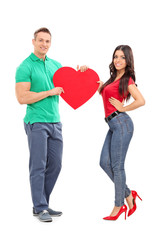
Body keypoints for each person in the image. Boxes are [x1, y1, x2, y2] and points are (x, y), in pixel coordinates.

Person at [15, 27, 88, 222]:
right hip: (36, 121)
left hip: (55, 122)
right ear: (33, 41)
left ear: (50, 43)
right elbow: (21, 97)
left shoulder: (56, 65)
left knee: (55, 165)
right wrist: (49, 92)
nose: (44, 44)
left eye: (47, 41)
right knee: (38, 165)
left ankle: (41, 205)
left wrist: (81, 73)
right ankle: (40, 207)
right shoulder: (25, 66)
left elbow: (69, 88)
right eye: (40, 40)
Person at [98, 45, 145, 220]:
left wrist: (124, 107)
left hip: (122, 123)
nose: (118, 60)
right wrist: (99, 85)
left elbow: (141, 100)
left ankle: (119, 205)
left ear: (128, 61)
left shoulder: (127, 80)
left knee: (117, 166)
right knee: (104, 163)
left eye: (122, 57)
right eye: (116, 56)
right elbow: (103, 94)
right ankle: (128, 194)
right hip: (113, 125)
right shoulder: (112, 79)